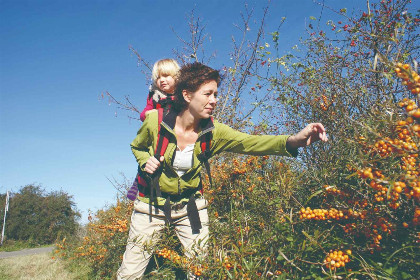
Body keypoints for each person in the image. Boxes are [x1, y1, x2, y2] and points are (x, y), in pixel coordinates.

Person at [117, 62, 328, 279]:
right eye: (208, 94)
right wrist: (145, 161)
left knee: (199, 270)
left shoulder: (214, 132)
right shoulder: (155, 120)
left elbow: (251, 143)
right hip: (151, 205)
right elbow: (138, 146)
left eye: (216, 94)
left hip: (191, 207)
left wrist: (294, 141)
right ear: (187, 95)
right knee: (130, 272)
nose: (214, 100)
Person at [127, 58, 180, 201]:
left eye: (167, 76)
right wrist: (150, 114)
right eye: (159, 77)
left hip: (175, 133)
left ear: (177, 77)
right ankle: (138, 181)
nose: (162, 80)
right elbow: (144, 113)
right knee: (149, 157)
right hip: (158, 133)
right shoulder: (155, 95)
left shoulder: (183, 95)